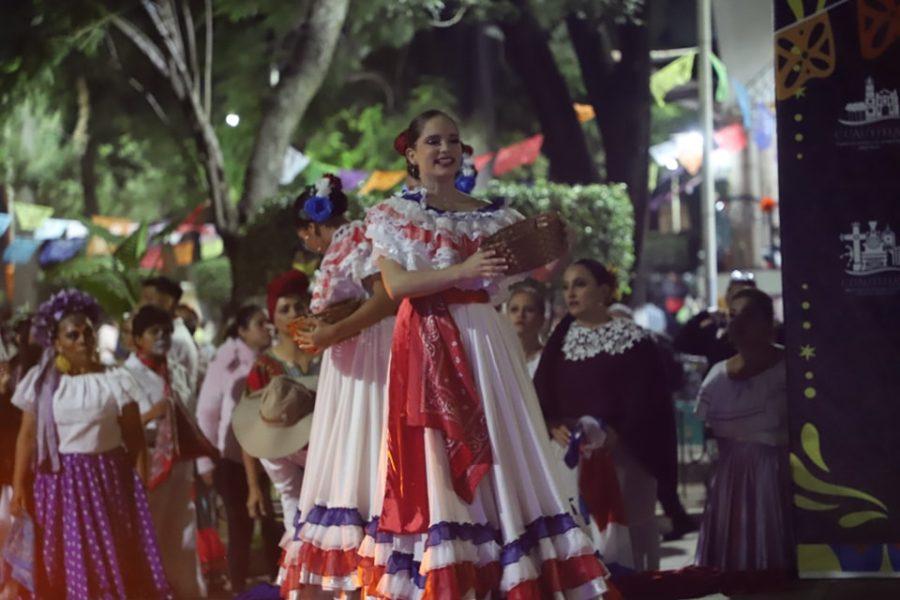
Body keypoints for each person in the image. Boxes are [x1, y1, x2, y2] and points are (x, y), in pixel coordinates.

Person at [358, 110, 610, 597]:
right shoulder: (395, 215)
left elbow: (528, 265)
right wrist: (463, 269)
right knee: (439, 456)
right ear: (411, 153)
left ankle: (515, 565)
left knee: (504, 444)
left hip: (488, 341)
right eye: (433, 141)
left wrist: (556, 243)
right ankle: (455, 572)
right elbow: (397, 285)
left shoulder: (492, 214)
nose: (445, 149)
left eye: (453, 140)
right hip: (430, 341)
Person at [278, 174, 398, 597]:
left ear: (312, 226)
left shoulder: (356, 238)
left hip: (370, 356)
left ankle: (374, 566)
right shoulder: (341, 247)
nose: (308, 244)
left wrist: (334, 330)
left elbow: (386, 298)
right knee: (346, 453)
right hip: (347, 358)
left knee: (364, 451)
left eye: (305, 235)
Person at [10, 289, 171, 599]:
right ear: (56, 342)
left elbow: (134, 438)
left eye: (87, 332)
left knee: (112, 557)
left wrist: (140, 485)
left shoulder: (114, 379)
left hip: (107, 482)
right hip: (59, 485)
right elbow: (27, 437)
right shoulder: (42, 384)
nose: (82, 340)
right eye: (72, 335)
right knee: (62, 559)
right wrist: (19, 486)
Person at [534, 260, 676, 571]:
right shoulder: (560, 340)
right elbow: (541, 394)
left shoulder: (634, 339)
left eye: (580, 284)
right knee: (578, 534)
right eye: (566, 286)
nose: (570, 293)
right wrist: (551, 424)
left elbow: (651, 401)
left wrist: (620, 433)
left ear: (604, 290)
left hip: (624, 457)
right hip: (570, 458)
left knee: (623, 534)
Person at [695, 288, 792, 571]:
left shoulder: (789, 368)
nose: (737, 324)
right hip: (730, 482)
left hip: (775, 479)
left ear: (767, 323)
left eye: (747, 317)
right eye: (732, 316)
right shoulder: (716, 376)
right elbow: (711, 433)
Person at [123, 305, 207, 598]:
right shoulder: (125, 376)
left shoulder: (178, 371)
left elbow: (190, 415)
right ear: (137, 339)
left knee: (184, 538)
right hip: (147, 470)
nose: (162, 338)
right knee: (151, 537)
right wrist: (150, 415)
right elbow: (119, 426)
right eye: (154, 332)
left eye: (167, 332)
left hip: (180, 471)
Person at [195, 304, 280, 593]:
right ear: (242, 331)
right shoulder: (227, 361)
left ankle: (278, 584)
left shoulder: (270, 359)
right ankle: (239, 589)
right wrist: (206, 463)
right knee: (239, 527)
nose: (266, 328)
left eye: (268, 322)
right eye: (259, 323)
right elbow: (207, 412)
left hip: (269, 455)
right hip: (231, 457)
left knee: (273, 525)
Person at [240, 270, 316, 541]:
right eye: (285, 309)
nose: (294, 313)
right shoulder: (264, 367)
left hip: (333, 458)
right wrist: (253, 486)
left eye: (299, 305)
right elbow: (249, 429)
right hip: (288, 468)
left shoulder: (329, 353)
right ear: (274, 317)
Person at [673, 272, 758, 372]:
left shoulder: (761, 328)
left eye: (743, 295)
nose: (738, 300)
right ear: (727, 296)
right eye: (734, 294)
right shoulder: (714, 326)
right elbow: (680, 343)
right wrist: (703, 316)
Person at [141, 276, 200, 403]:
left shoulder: (173, 339)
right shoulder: (174, 335)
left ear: (169, 302)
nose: (142, 305)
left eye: (149, 299)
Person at [506, 281, 548, 377]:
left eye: (529, 310)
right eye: (514, 310)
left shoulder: (550, 361)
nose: (520, 315)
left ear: (541, 319)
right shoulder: (498, 359)